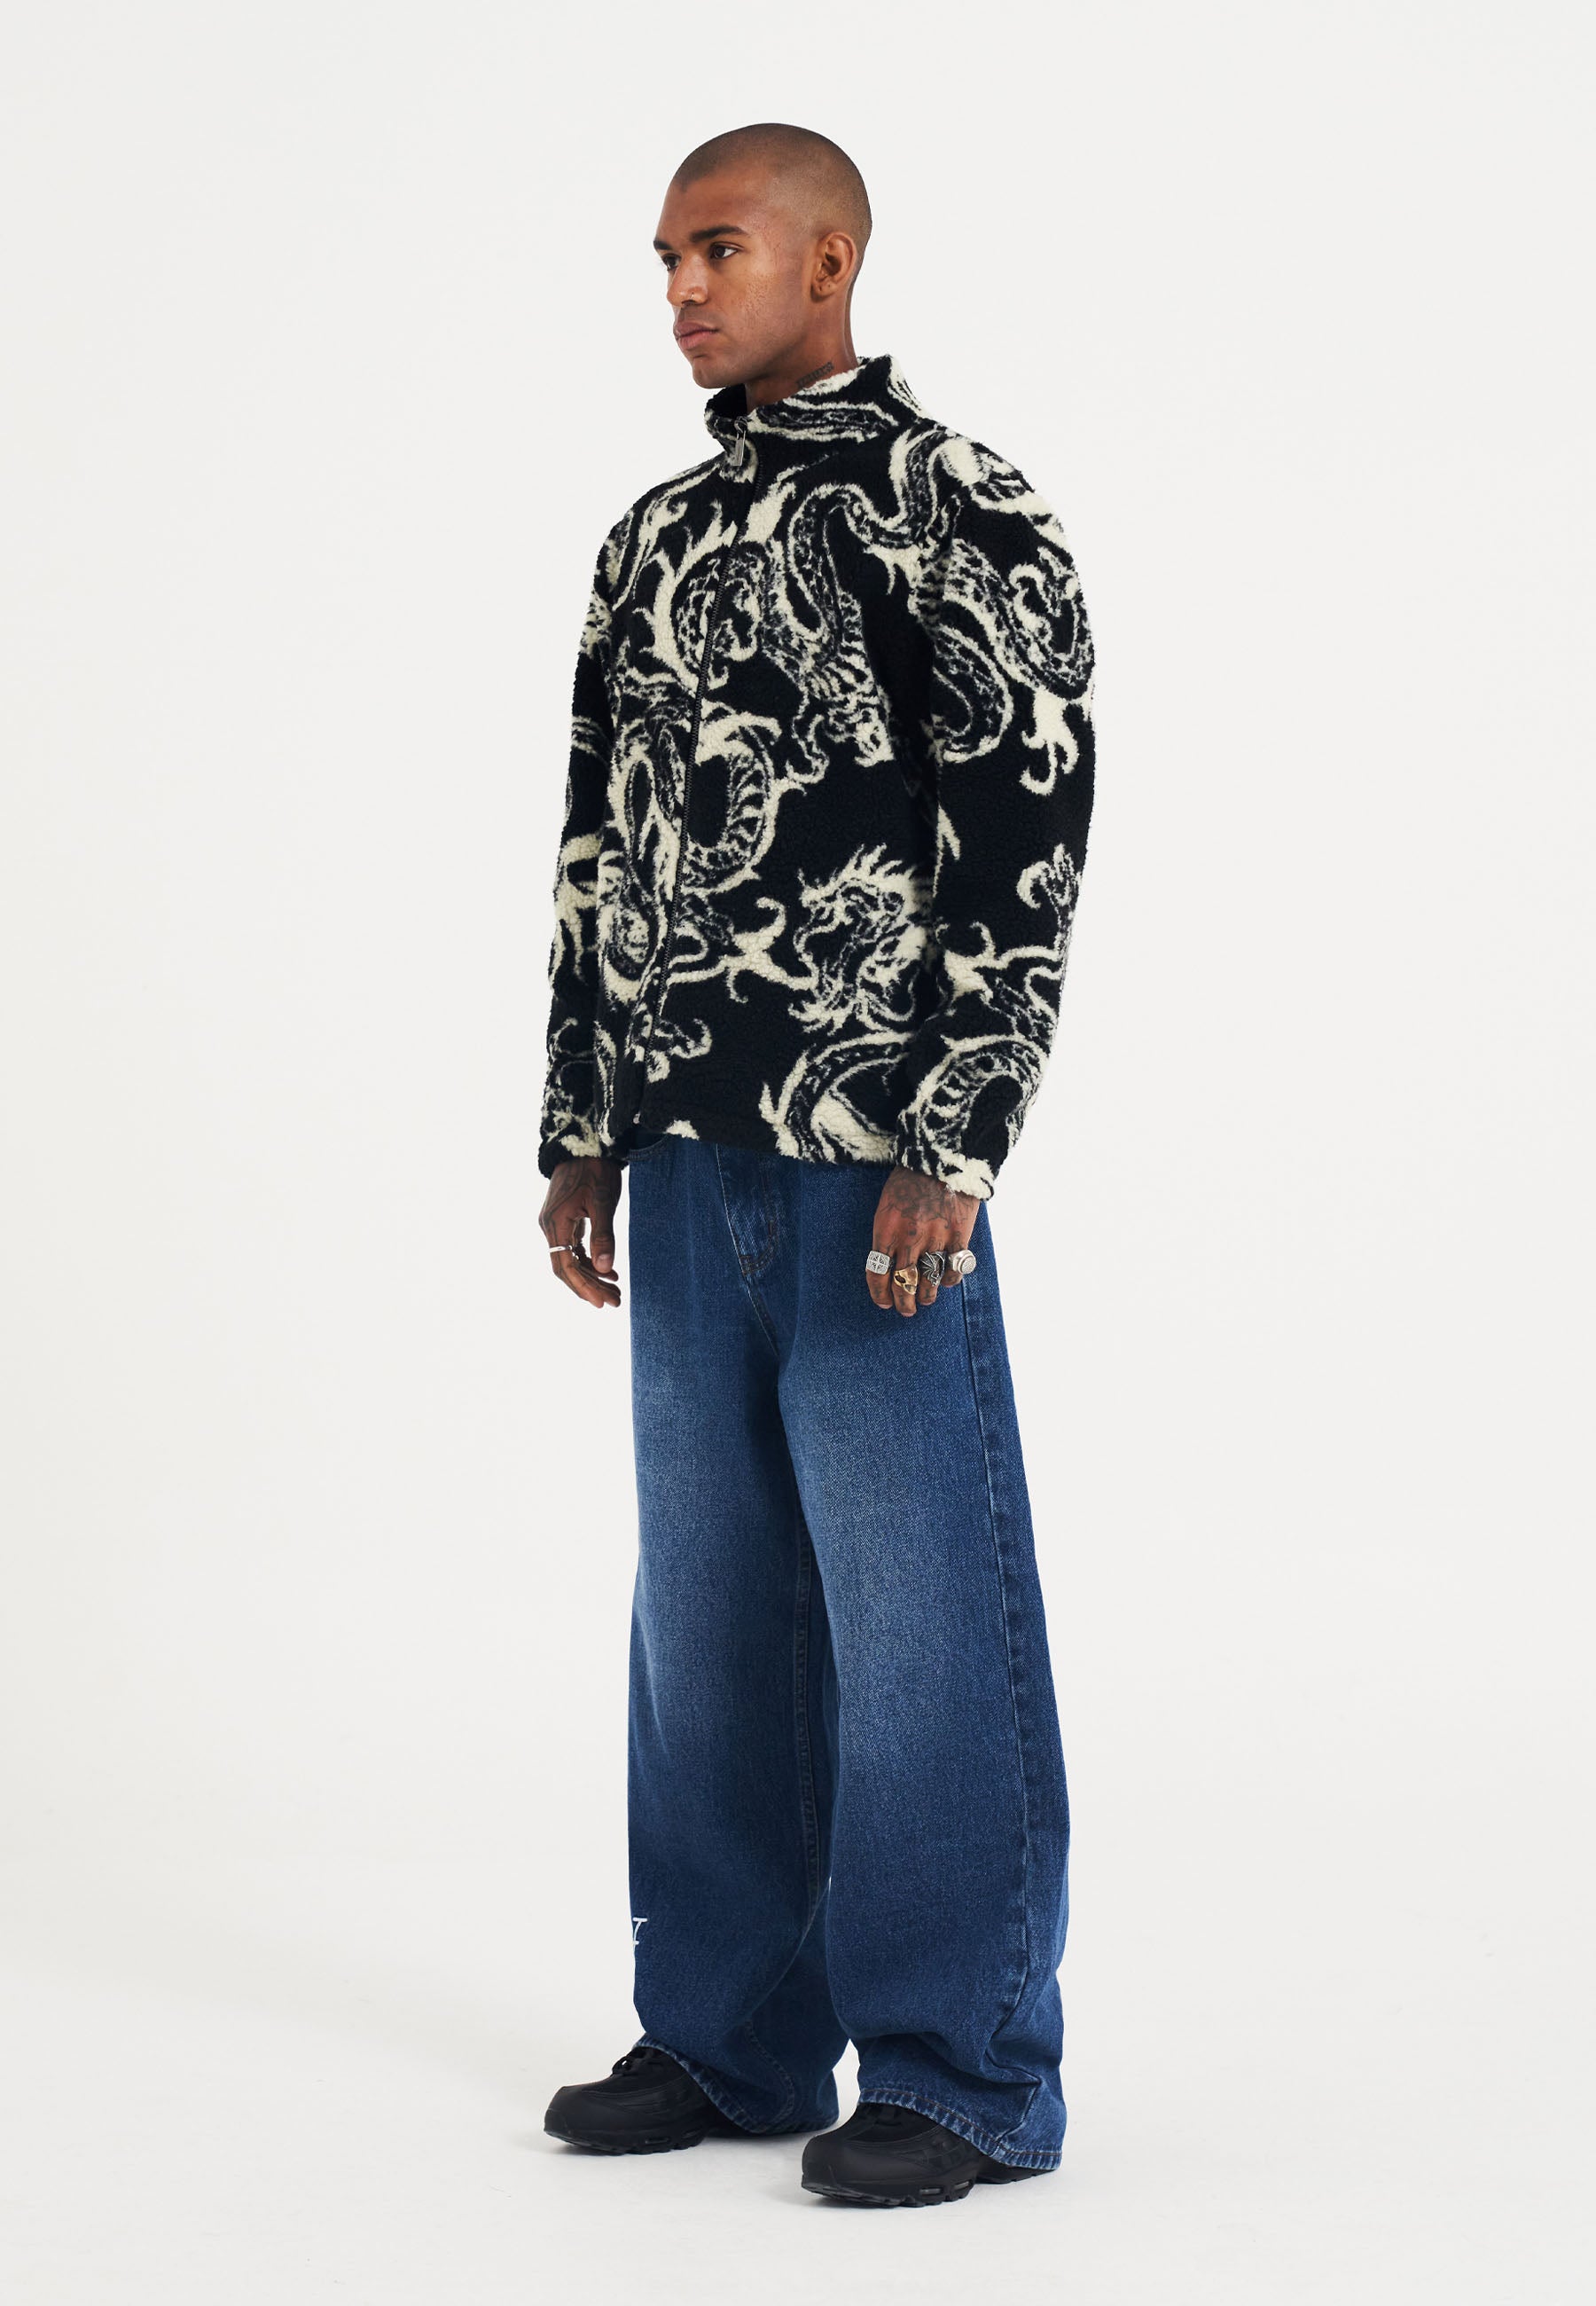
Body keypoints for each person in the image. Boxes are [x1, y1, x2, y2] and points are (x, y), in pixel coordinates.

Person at [536, 121, 1096, 2208]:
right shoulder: (652, 540)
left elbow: (1027, 824)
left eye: (720, 247)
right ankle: (732, 2031)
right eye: (667, 256)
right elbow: (597, 840)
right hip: (689, 1155)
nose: (683, 287)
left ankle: (964, 2068)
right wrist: (582, 1120)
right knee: (709, 1614)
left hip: (877, 1160)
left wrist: (962, 1132)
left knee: (920, 1607)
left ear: (829, 262)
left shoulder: (962, 507)